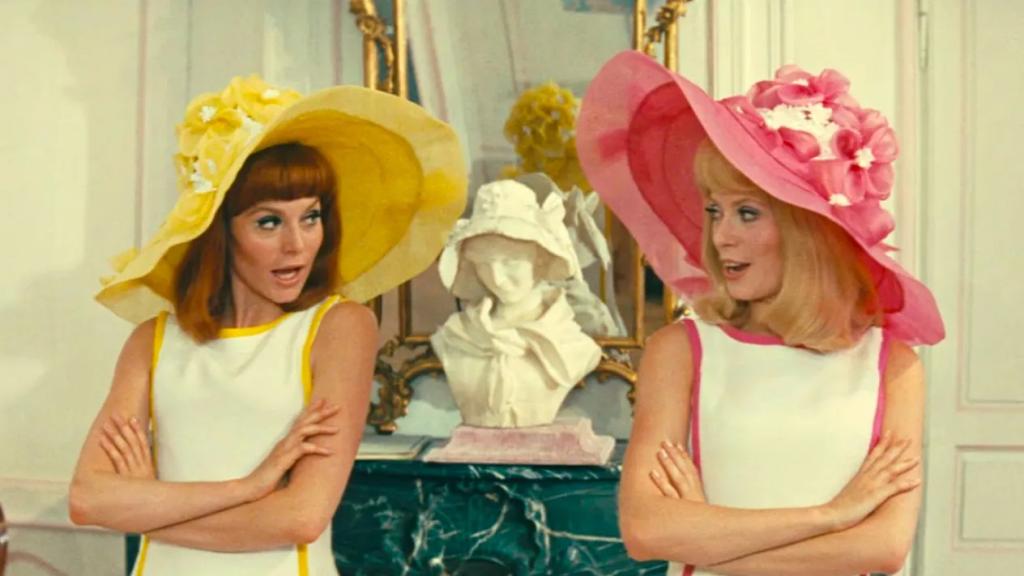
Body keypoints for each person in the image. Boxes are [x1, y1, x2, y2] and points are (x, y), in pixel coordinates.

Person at [69, 76, 466, 575]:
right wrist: (250, 487)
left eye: (311, 217)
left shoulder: (340, 328)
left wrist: (147, 504)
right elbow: (88, 499)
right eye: (269, 222)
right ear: (220, 232)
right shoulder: (152, 340)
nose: (297, 245)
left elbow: (301, 517)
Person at [576, 51, 945, 575]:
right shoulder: (680, 351)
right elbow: (647, 532)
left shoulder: (894, 366)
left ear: (809, 229)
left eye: (747, 212)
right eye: (715, 211)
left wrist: (709, 542)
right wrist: (833, 515)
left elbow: (882, 548)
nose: (720, 236)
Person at [432, 180, 601, 427]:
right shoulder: (456, 336)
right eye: (483, 264)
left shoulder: (572, 344)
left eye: (510, 262)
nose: (497, 278)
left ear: (541, 258)